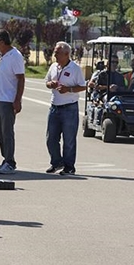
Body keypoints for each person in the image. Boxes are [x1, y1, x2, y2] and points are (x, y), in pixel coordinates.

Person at [44, 42, 87, 175]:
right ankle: (57, 162)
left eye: (57, 53)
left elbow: (83, 86)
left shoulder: (75, 68)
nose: (55, 55)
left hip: (69, 108)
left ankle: (69, 166)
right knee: (51, 138)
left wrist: (68, 89)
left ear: (66, 54)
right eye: (55, 52)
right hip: (54, 107)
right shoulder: (53, 67)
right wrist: (51, 84)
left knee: (69, 140)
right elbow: (46, 82)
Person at [0, 29, 24, 175]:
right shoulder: (4, 56)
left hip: (9, 101)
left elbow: (21, 79)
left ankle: (10, 162)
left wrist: (17, 100)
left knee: (7, 132)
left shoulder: (15, 56)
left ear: (3, 41)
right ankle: (6, 159)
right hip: (0, 99)